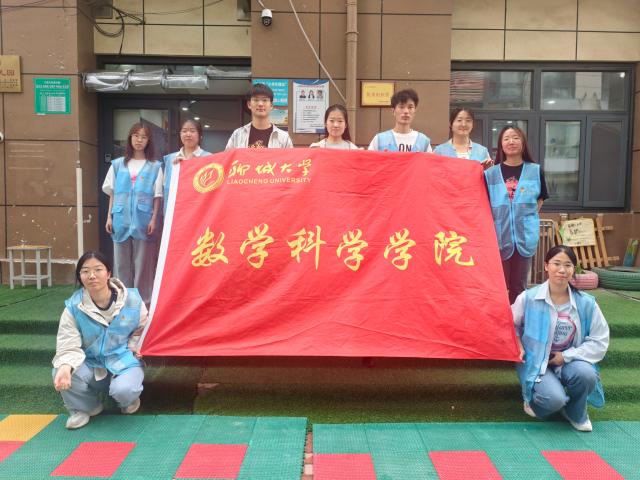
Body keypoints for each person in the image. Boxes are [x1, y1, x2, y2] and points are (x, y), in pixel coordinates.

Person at [512, 245, 609, 432]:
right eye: (556, 264)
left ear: (574, 269)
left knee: (587, 375)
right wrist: (518, 344)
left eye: (568, 265)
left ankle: (576, 412)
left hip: (568, 360)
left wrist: (565, 356)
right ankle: (536, 403)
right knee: (553, 400)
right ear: (546, 266)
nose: (562, 270)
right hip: (535, 360)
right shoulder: (528, 298)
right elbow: (509, 324)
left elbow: (600, 340)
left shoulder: (586, 303)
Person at [52, 251, 147, 429]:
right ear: (80, 276)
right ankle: (86, 407)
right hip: (92, 363)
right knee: (61, 369)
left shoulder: (133, 300)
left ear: (108, 273)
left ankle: (128, 400)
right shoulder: (73, 308)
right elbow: (67, 343)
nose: (92, 275)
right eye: (85, 271)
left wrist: (135, 347)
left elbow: (142, 329)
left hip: (124, 360)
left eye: (98, 269)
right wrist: (65, 366)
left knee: (124, 390)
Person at [485, 125, 549, 304]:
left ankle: (517, 320)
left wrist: (526, 218)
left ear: (523, 142)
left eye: (515, 137)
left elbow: (540, 199)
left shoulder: (535, 170)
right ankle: (501, 320)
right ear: (501, 144)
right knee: (498, 286)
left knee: (519, 287)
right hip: (499, 236)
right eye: (506, 138)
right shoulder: (490, 174)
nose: (511, 142)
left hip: (525, 236)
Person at [103, 122, 162, 306]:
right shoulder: (117, 165)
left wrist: (154, 219)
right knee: (121, 264)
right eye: (136, 136)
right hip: (120, 219)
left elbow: (157, 196)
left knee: (143, 264)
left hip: (144, 221)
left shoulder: (155, 166)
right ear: (129, 138)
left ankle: (143, 303)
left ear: (148, 141)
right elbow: (112, 193)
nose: (139, 140)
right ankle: (122, 301)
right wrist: (109, 216)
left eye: (144, 137)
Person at [163, 119, 211, 215]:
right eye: (184, 131)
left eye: (192, 131)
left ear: (200, 135)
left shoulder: (209, 158)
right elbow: (165, 187)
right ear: (180, 134)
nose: (188, 134)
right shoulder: (170, 159)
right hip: (175, 211)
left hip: (199, 211)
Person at [226, 83, 294, 149]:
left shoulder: (284, 138)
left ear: (271, 105)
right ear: (249, 104)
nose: (260, 104)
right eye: (256, 100)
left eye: (264, 100)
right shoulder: (237, 135)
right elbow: (227, 156)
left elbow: (290, 157)